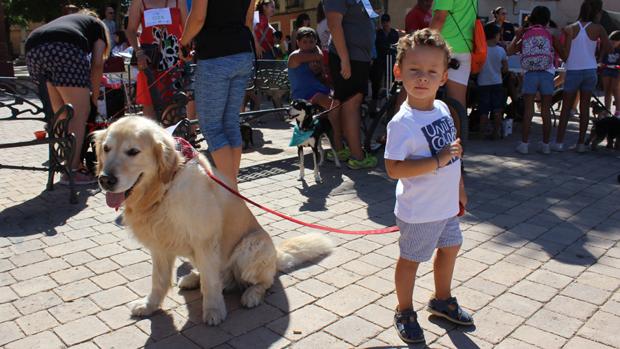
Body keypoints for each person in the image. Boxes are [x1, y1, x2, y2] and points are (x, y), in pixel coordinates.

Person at [384, 29, 471, 344]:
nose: (423, 78)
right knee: (411, 260)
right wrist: (437, 160)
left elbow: (453, 154)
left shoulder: (444, 110)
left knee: (451, 248)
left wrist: (459, 186)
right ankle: (404, 310)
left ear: (444, 76)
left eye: (432, 72)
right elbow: (393, 169)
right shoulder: (402, 123)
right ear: (399, 71)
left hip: (446, 205)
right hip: (419, 211)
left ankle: (441, 299)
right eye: (414, 70)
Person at [25, 10, 111, 184]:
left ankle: (67, 162)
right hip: (64, 47)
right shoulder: (97, 26)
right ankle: (73, 170)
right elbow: (97, 64)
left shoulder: (68, 21)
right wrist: (93, 99)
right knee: (80, 113)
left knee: (62, 115)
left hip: (33, 47)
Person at [179, 0, 256, 190]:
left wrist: (183, 43)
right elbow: (247, 20)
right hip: (242, 53)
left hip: (215, 59)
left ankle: (231, 192)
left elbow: (198, 17)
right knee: (230, 124)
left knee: (212, 128)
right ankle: (232, 188)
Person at [324, 0, 378, 169]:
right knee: (351, 105)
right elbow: (334, 23)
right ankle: (357, 156)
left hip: (358, 57)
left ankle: (342, 150)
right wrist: (344, 59)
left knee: (343, 102)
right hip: (349, 58)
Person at [507, 6, 566, 154]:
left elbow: (510, 51)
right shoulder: (550, 35)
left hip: (530, 74)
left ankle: (524, 144)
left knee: (529, 110)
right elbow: (565, 55)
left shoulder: (526, 33)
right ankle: (546, 145)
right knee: (545, 110)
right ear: (547, 19)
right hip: (547, 74)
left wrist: (517, 35)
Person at [554, 0, 610, 153]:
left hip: (573, 69)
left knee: (565, 108)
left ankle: (559, 142)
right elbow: (609, 47)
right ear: (596, 12)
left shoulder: (570, 28)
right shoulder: (598, 28)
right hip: (590, 70)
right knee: (584, 108)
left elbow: (565, 54)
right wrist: (599, 57)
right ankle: (580, 144)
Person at [126, 0, 188, 119]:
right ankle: (152, 136)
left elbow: (186, 27)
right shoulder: (139, 2)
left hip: (174, 61)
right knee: (149, 105)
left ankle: (176, 136)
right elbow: (130, 30)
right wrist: (139, 52)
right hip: (149, 61)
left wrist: (186, 48)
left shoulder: (179, 1)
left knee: (175, 106)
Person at [430, 0, 475, 139]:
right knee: (458, 105)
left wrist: (422, 42)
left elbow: (439, 19)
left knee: (411, 88)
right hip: (465, 48)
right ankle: (457, 151)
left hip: (444, 46)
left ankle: (393, 136)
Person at [288, 27, 334, 110]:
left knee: (340, 101)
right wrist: (317, 48)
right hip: (303, 98)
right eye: (304, 42)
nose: (308, 45)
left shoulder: (315, 57)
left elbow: (323, 78)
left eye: (311, 42)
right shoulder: (295, 56)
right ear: (298, 42)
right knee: (334, 106)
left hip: (320, 92)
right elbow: (320, 56)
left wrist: (318, 72)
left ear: (315, 42)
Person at [477, 23, 507, 140]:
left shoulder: (481, 50)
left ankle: (481, 133)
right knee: (497, 109)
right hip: (497, 82)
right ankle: (495, 133)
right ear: (496, 36)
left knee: (483, 110)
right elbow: (505, 68)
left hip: (483, 82)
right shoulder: (501, 50)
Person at [371, 14, 399, 103]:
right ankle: (374, 100)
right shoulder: (378, 33)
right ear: (382, 23)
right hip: (379, 60)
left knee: (392, 79)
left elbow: (397, 46)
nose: (385, 23)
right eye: (384, 22)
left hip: (391, 59)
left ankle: (391, 98)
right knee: (376, 79)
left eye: (387, 21)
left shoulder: (394, 33)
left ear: (390, 22)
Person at [601, 30, 620, 117]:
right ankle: (607, 109)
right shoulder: (607, 48)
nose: (612, 42)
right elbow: (602, 58)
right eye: (611, 40)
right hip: (607, 70)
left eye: (615, 40)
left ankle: (618, 111)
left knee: (616, 90)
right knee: (607, 90)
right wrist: (601, 63)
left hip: (617, 71)